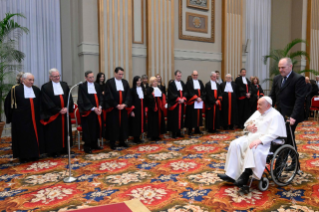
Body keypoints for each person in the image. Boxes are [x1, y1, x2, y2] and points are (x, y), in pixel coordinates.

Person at [218, 97, 286, 187]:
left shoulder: (276, 115)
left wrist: (260, 140)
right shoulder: (258, 112)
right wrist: (248, 127)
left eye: (260, 104)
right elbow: (247, 124)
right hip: (251, 136)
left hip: (267, 142)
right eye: (258, 104)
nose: (257, 106)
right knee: (235, 144)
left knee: (252, 146)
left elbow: (274, 133)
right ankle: (231, 174)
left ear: (268, 105)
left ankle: (245, 175)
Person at [4, 73, 44, 163]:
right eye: (30, 80)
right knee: (23, 138)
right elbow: (9, 104)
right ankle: (23, 156)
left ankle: (34, 154)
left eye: (33, 80)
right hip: (21, 120)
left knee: (35, 136)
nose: (32, 82)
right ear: (23, 80)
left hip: (35, 119)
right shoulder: (16, 89)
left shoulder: (36, 90)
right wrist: (11, 117)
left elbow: (41, 104)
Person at [269, 57, 306, 149]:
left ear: (290, 66)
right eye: (279, 68)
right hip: (279, 113)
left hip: (291, 114)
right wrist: (266, 109)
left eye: (283, 67)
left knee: (286, 134)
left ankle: (282, 161)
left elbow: (299, 99)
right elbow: (272, 96)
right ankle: (293, 158)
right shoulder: (277, 78)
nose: (280, 70)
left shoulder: (298, 79)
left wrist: (293, 116)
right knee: (283, 135)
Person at [41, 68, 74, 157]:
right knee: (54, 133)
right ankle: (54, 151)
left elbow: (69, 97)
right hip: (54, 115)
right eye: (55, 76)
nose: (57, 78)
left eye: (58, 76)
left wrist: (67, 108)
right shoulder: (45, 87)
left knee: (66, 131)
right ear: (50, 77)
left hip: (65, 114)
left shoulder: (64, 85)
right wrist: (58, 110)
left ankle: (65, 149)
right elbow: (47, 101)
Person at [105, 67, 132, 150]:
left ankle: (122, 141)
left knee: (123, 125)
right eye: (119, 74)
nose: (121, 76)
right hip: (113, 109)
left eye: (122, 74)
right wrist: (116, 105)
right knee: (113, 125)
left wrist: (124, 104)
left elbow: (128, 94)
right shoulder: (109, 82)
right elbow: (109, 95)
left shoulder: (125, 82)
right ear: (115, 73)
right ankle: (112, 142)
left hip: (123, 108)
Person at [77, 71, 103, 153]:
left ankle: (94, 144)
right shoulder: (82, 86)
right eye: (90, 77)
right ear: (86, 78)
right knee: (88, 129)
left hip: (97, 111)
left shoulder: (97, 85)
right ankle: (87, 146)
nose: (92, 79)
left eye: (93, 77)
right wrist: (92, 108)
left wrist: (100, 107)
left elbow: (100, 97)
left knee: (95, 128)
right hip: (87, 111)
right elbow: (83, 99)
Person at [167, 70, 187, 138]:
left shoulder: (182, 83)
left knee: (180, 118)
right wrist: (178, 99)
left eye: (180, 76)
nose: (179, 77)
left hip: (181, 104)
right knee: (174, 119)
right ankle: (173, 133)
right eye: (178, 76)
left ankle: (179, 132)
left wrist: (183, 99)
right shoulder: (172, 84)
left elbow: (185, 92)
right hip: (175, 104)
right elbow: (171, 94)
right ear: (175, 76)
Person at [146, 76, 166, 140]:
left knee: (158, 121)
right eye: (154, 81)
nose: (155, 83)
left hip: (159, 108)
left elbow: (162, 96)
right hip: (152, 109)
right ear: (151, 83)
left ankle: (158, 135)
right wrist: (153, 95)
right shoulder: (149, 89)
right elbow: (148, 98)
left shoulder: (159, 88)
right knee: (153, 122)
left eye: (156, 81)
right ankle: (153, 136)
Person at [185, 70, 205, 135]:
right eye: (194, 75)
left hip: (199, 102)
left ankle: (197, 129)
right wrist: (196, 98)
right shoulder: (189, 82)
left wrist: (201, 98)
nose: (195, 76)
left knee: (198, 116)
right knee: (191, 116)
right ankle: (190, 130)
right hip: (192, 102)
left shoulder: (200, 82)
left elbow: (203, 91)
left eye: (196, 75)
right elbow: (189, 92)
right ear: (192, 75)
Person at [129, 76, 147, 143]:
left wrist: (145, 109)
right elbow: (131, 101)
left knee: (141, 122)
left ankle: (139, 137)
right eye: (137, 81)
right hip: (135, 109)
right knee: (135, 123)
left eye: (140, 80)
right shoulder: (132, 90)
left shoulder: (142, 89)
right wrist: (132, 110)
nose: (139, 82)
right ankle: (135, 138)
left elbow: (144, 100)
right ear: (135, 82)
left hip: (141, 108)